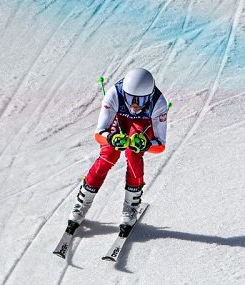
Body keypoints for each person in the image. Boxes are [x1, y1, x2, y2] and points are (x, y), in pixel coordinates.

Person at [65, 68, 169, 238]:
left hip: (141, 125)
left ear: (149, 96)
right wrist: (111, 139)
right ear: (124, 93)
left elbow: (160, 145)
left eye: (141, 100)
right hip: (118, 121)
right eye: (129, 98)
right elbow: (99, 134)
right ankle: (82, 203)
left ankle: (131, 207)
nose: (134, 105)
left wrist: (145, 145)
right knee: (108, 156)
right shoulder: (114, 93)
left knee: (133, 154)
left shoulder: (159, 103)